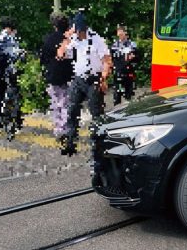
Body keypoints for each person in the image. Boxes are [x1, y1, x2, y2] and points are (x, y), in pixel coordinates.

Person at [57, 12, 111, 155]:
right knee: (72, 109)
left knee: (96, 112)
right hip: (78, 78)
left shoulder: (97, 39)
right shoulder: (73, 39)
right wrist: (67, 38)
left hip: (94, 79)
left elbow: (106, 61)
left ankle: (100, 142)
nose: (79, 34)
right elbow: (60, 54)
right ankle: (70, 142)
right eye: (77, 30)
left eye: (81, 31)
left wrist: (103, 79)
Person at [0, 17, 26, 134]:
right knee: (14, 96)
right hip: (8, 71)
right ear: (11, 28)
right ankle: (16, 124)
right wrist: (22, 54)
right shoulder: (9, 37)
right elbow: (13, 54)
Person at [39, 13, 74, 141]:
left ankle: (59, 128)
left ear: (54, 25)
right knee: (67, 102)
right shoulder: (71, 39)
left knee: (56, 102)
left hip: (53, 74)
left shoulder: (48, 39)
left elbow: (42, 58)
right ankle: (67, 128)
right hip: (70, 74)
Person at [110, 24, 137, 105]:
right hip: (118, 72)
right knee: (117, 94)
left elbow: (136, 56)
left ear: (126, 34)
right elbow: (111, 58)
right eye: (119, 34)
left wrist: (132, 57)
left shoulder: (132, 44)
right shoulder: (115, 45)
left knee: (128, 95)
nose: (120, 36)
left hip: (128, 72)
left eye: (122, 34)